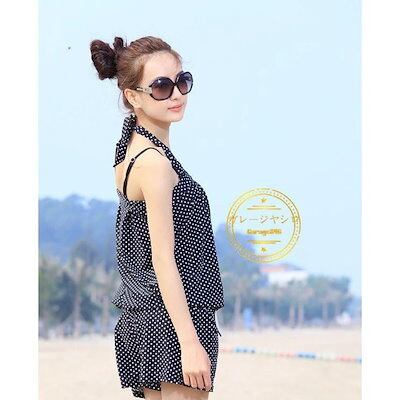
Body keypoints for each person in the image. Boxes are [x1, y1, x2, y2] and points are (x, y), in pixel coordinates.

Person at [90, 35, 224, 400]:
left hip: (148, 315)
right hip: (172, 320)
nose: (177, 94)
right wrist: (190, 343)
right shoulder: (154, 164)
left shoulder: (131, 150)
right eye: (162, 86)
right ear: (133, 97)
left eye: (182, 81)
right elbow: (163, 259)